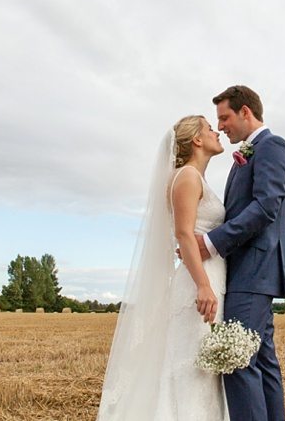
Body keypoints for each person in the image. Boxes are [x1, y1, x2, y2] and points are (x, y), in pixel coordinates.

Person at [97, 115, 229, 421]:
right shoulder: (187, 177)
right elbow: (183, 233)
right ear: (197, 139)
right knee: (192, 367)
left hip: (208, 276)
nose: (217, 132)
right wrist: (203, 285)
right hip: (200, 280)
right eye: (210, 128)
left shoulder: (193, 177)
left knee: (204, 367)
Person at [194, 85, 285, 421]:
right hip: (247, 273)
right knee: (262, 364)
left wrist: (210, 243)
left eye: (224, 118)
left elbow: (266, 207)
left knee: (237, 362)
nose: (220, 126)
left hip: (253, 270)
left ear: (246, 112)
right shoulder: (246, 155)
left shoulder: (272, 146)